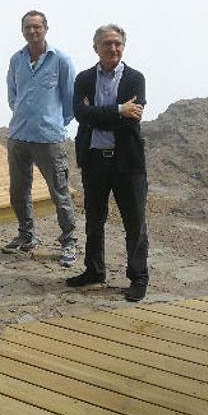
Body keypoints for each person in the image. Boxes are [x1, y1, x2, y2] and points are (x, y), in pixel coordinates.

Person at [66, 24, 149, 302]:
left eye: (117, 44)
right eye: (106, 44)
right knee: (94, 220)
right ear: (95, 48)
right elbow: (80, 113)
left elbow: (132, 117)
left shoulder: (136, 78)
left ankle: (138, 278)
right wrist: (118, 109)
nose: (113, 48)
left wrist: (98, 113)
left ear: (123, 46)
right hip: (95, 162)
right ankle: (94, 270)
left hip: (128, 163)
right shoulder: (84, 78)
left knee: (134, 223)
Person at [3, 10, 78, 266]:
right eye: (27, 27)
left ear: (46, 28)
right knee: (18, 192)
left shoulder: (60, 60)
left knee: (59, 193)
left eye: (37, 26)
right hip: (19, 135)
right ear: (22, 30)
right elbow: (12, 95)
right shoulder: (16, 60)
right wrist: (24, 114)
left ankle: (69, 242)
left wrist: (56, 123)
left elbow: (70, 99)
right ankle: (26, 236)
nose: (32, 31)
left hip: (49, 139)